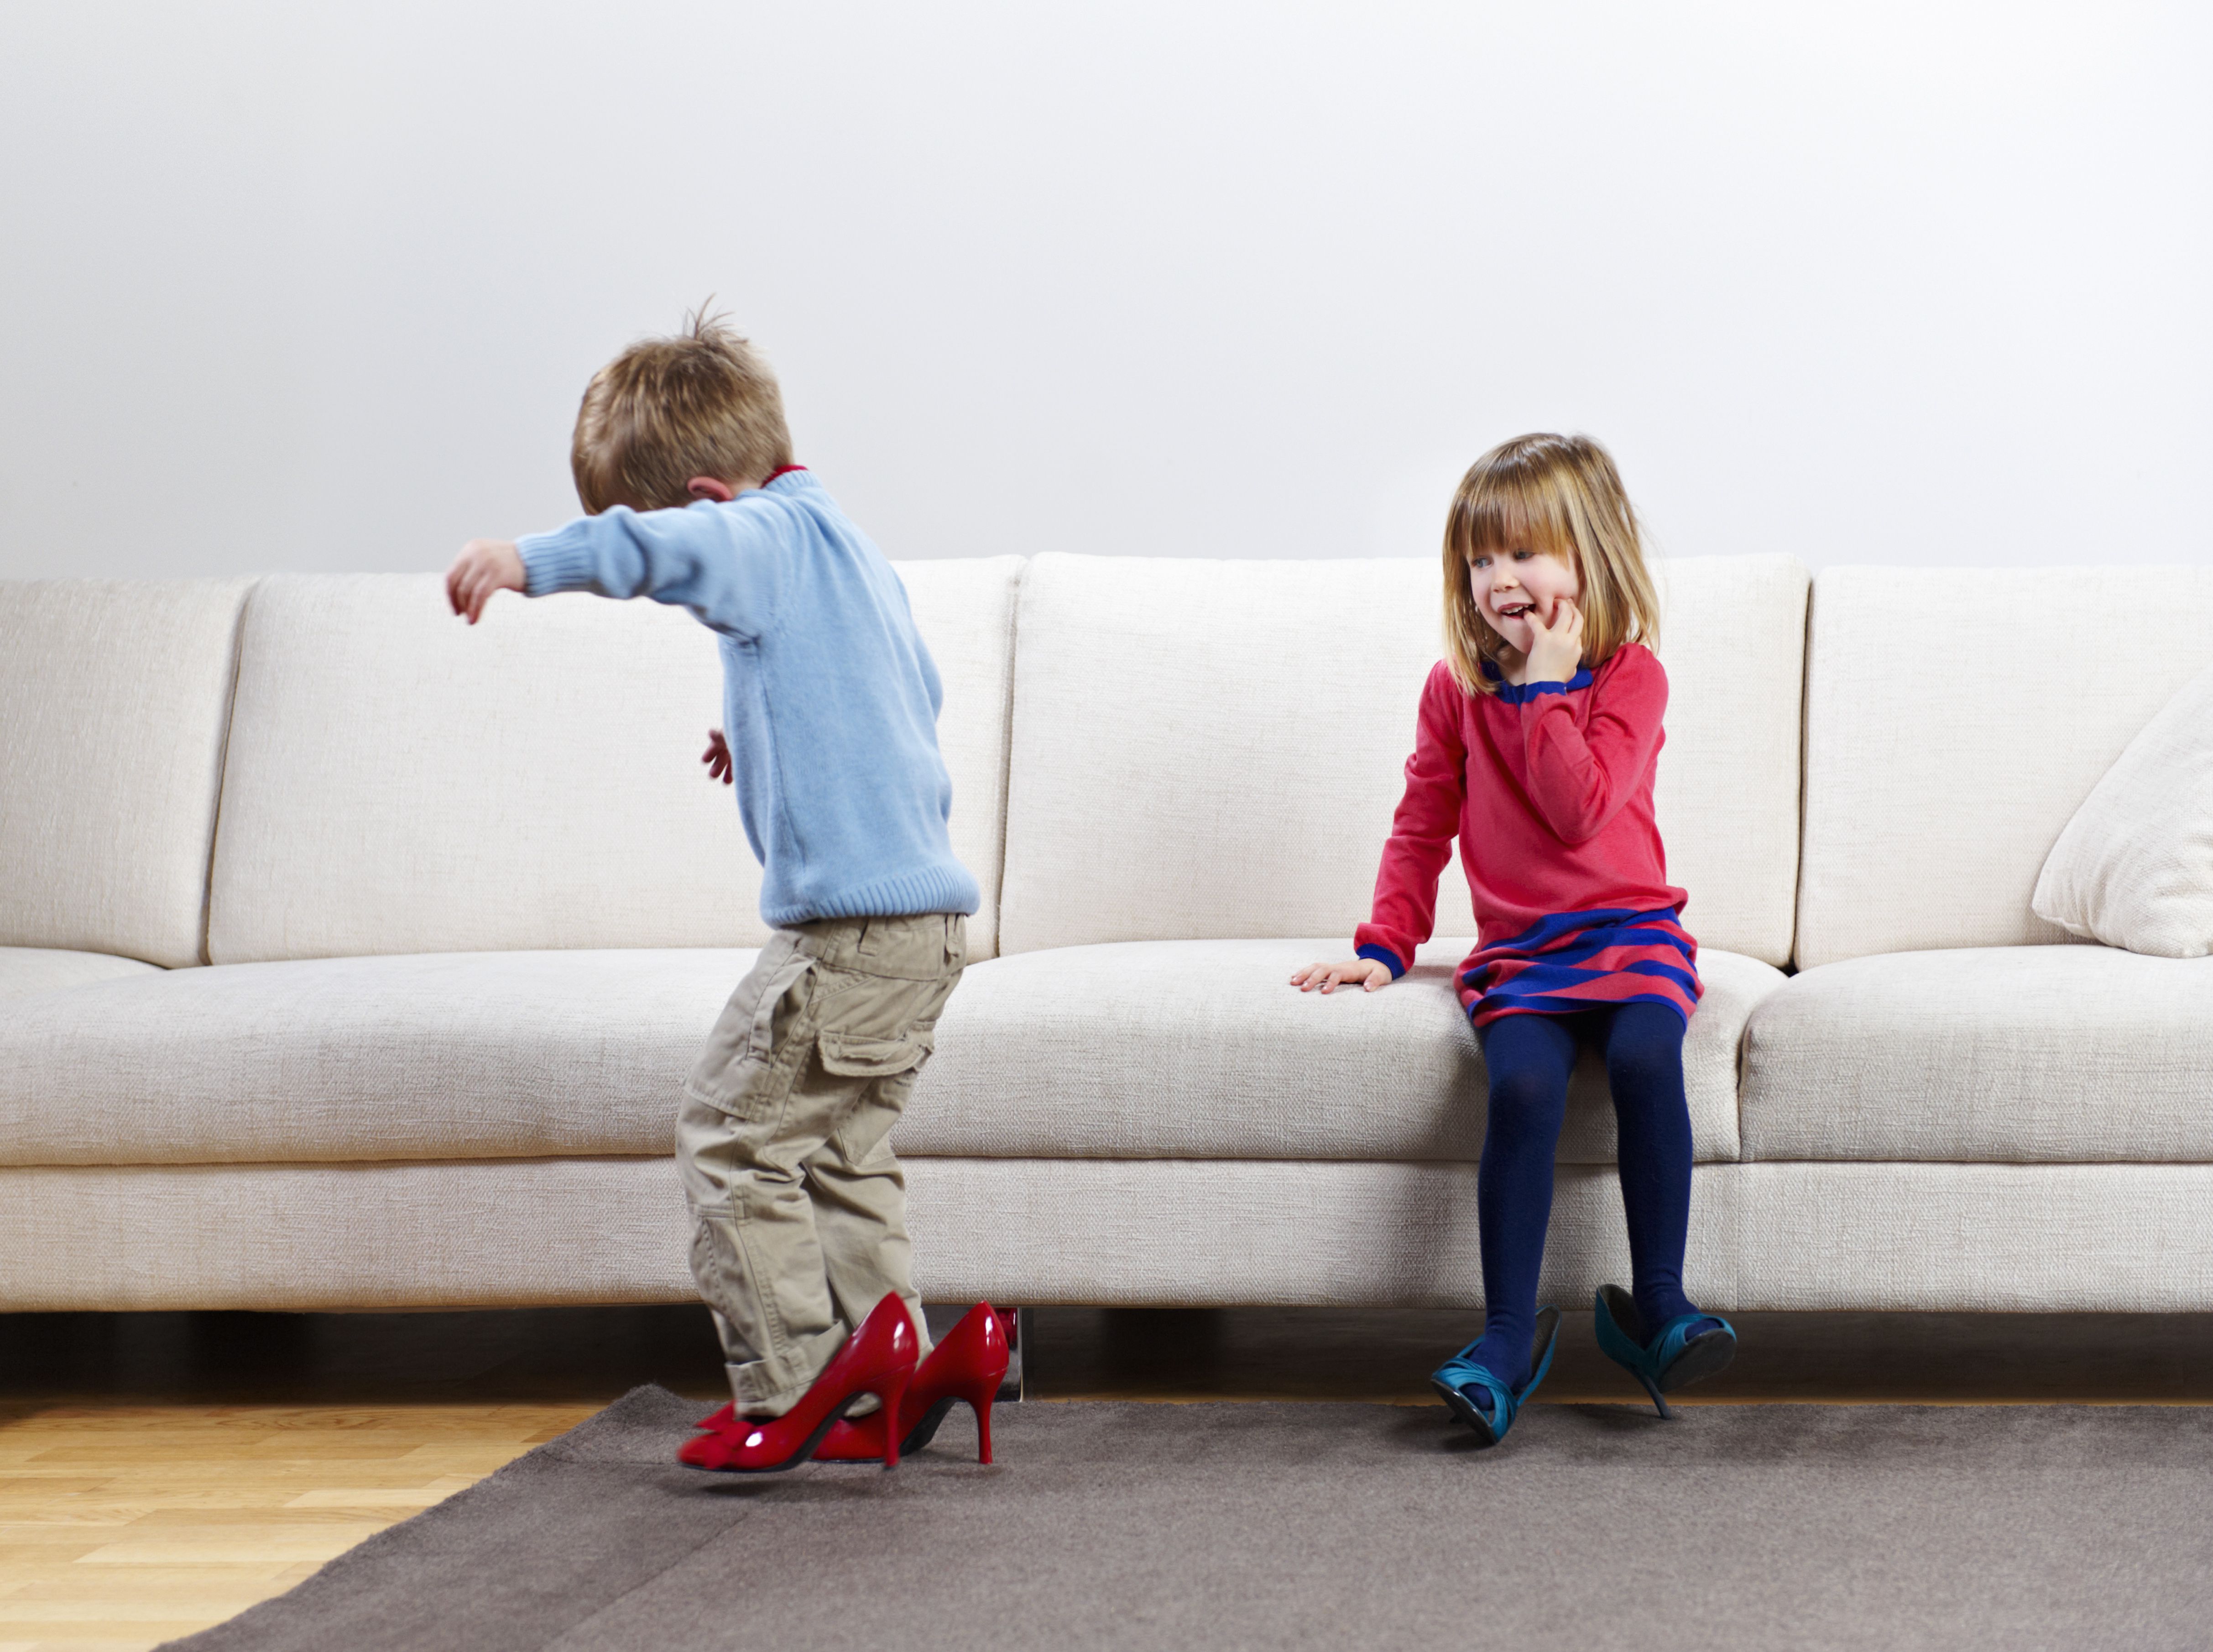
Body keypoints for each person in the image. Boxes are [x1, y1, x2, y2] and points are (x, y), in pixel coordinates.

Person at [444, 311, 1005, 1472]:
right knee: (843, 1156)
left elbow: (668, 553)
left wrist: (531, 559)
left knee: (728, 1136)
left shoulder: (746, 535)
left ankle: (793, 1387)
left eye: (651, 522)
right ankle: (894, 1369)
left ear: (707, 500)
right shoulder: (842, 540)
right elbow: (910, 687)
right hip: (929, 932)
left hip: (847, 936)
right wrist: (761, 726)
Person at [1291, 433, 1736, 1446]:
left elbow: (1580, 812)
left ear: (1589, 558)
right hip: (1525, 956)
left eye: (1524, 555)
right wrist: (1386, 941)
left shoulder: (1631, 678)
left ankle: (1659, 1307)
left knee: (1643, 1054)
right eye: (1480, 560)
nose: (1499, 580)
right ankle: (1501, 1339)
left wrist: (1546, 685)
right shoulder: (1456, 690)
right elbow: (1422, 821)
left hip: (1630, 935)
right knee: (1525, 1089)